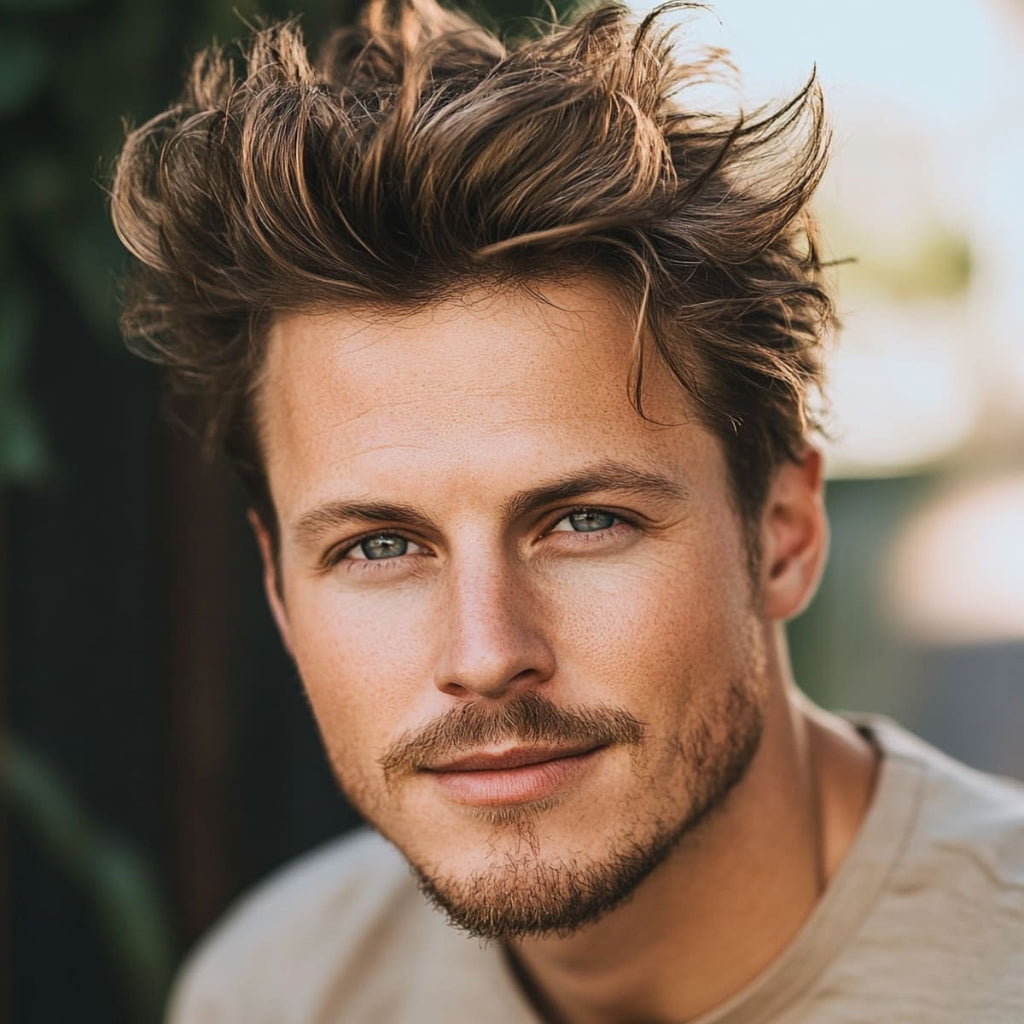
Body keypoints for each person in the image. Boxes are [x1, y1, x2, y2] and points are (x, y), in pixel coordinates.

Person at [110, 1, 1024, 1020]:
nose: (487, 651)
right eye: (379, 545)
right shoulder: (276, 988)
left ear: (781, 533)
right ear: (280, 591)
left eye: (584, 520)